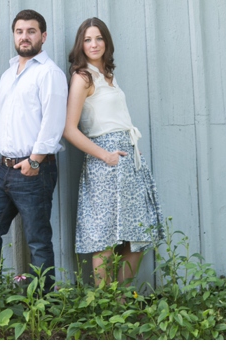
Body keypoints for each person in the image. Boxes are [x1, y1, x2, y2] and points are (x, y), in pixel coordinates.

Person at [63, 17, 164, 284]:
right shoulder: (82, 77)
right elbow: (69, 129)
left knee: (138, 235)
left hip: (128, 158)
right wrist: (105, 155)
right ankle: (104, 305)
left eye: (98, 38)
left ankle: (118, 301)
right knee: (105, 234)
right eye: (87, 39)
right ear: (80, 45)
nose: (93, 44)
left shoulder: (108, 75)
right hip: (104, 160)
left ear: (106, 42)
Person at [0, 9, 68, 288]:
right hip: (3, 170)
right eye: (19, 31)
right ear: (14, 35)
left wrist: (35, 161)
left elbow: (53, 124)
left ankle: (43, 305)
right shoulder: (8, 75)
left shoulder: (50, 74)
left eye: (31, 31)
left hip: (34, 170)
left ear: (43, 36)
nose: (25, 37)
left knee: (37, 241)